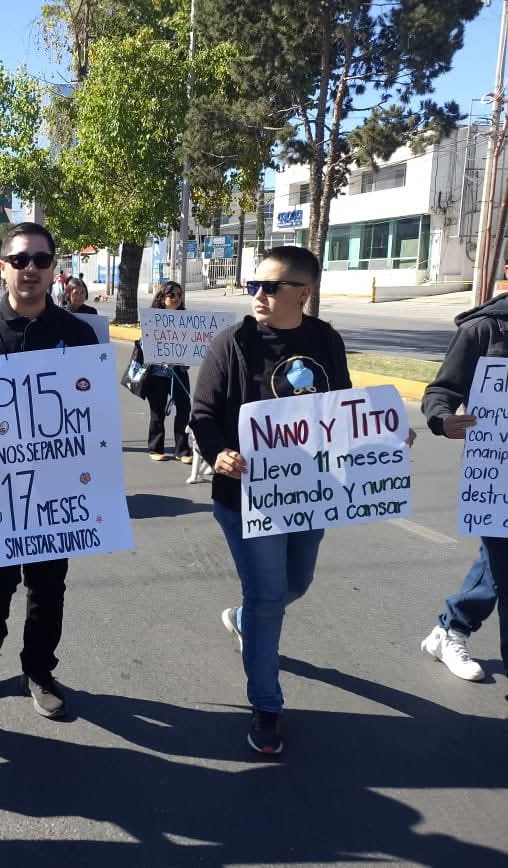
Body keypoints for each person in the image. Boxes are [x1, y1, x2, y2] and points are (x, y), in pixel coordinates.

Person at [190, 246, 351, 755]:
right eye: (253, 286)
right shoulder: (232, 343)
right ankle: (266, 705)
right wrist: (218, 454)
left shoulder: (325, 340)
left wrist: (380, 437)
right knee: (266, 598)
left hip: (307, 493)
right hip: (246, 498)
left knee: (295, 584)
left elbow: (343, 405)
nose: (258, 295)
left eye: (271, 287)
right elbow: (203, 412)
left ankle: (241, 620)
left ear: (303, 293)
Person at [0, 222, 97, 720]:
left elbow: (90, 407)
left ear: (54, 269)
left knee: (49, 585)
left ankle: (39, 669)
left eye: (41, 260)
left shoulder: (75, 333)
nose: (31, 269)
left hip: (55, 489)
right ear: (2, 268)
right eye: (21, 259)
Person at [419, 278, 508, 682]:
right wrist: (442, 419)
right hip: (499, 473)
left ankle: (449, 629)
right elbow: (442, 390)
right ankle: (453, 628)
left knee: (498, 561)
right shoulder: (483, 330)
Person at [145, 281, 191, 463]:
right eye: (172, 295)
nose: (176, 299)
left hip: (179, 372)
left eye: (179, 295)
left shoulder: (187, 319)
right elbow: (146, 343)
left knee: (184, 409)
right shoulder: (152, 318)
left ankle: (182, 450)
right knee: (157, 412)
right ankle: (155, 447)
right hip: (157, 373)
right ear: (162, 298)